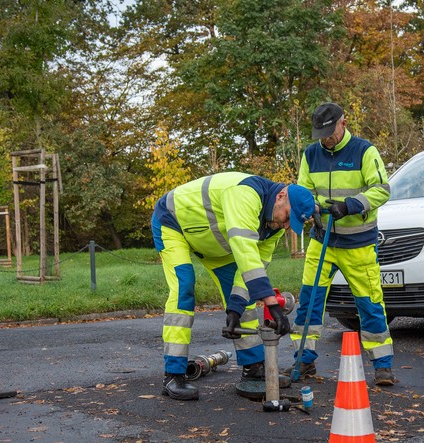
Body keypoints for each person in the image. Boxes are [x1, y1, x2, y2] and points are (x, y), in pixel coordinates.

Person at [151, 172, 316, 400]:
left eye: (291, 223)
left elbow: (253, 268)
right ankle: (173, 375)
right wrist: (272, 304)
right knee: (184, 289)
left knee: (245, 297)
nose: (285, 225)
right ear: (280, 196)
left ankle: (254, 368)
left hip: (214, 245)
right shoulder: (245, 193)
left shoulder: (274, 227)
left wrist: (235, 308)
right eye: (287, 216)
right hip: (173, 224)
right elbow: (245, 252)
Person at [284, 102, 397, 386]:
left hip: (358, 243)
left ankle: (382, 365)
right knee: (309, 301)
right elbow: (304, 191)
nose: (325, 138)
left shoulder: (364, 151)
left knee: (369, 302)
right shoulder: (310, 154)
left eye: (329, 132)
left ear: (343, 124)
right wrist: (317, 209)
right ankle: (303, 360)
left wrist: (350, 205)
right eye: (320, 133)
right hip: (322, 240)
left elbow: (382, 190)